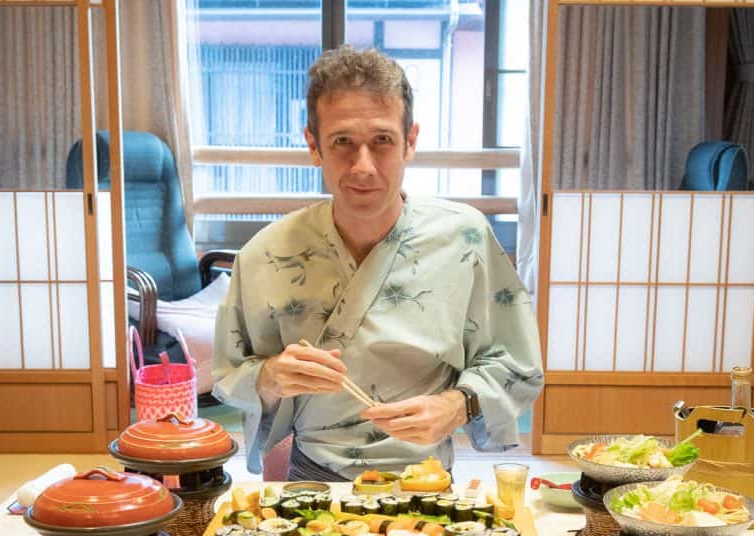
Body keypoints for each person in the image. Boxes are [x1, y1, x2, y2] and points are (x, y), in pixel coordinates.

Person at [212, 45, 543, 481]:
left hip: (425, 476)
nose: (363, 166)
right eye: (342, 142)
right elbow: (227, 374)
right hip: (313, 478)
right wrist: (271, 377)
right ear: (313, 145)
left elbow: (515, 361)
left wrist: (458, 404)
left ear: (410, 141)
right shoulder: (266, 254)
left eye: (382, 140)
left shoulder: (465, 237)